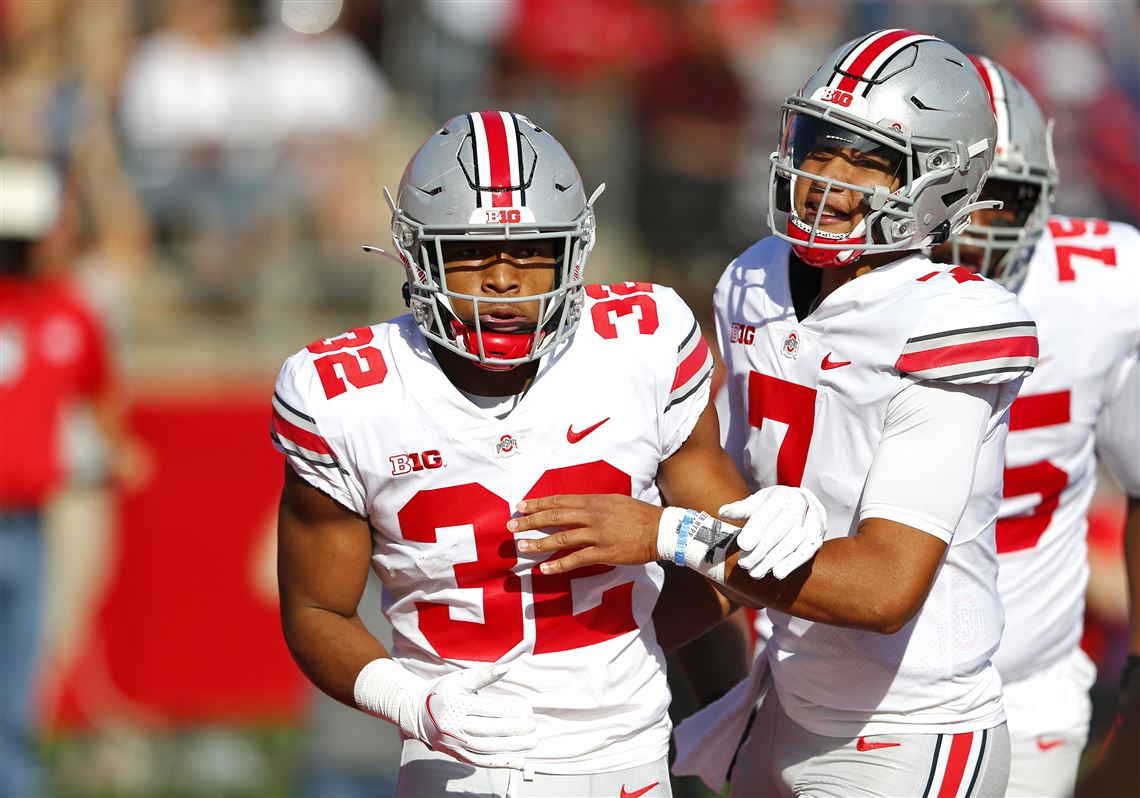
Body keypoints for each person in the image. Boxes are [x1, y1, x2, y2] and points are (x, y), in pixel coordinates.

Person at [512, 31, 1038, 797]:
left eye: (868, 159)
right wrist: (579, 666)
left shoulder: (947, 321)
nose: (826, 176)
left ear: (941, 180)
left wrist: (661, 533)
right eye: (821, 145)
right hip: (783, 699)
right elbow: (737, 525)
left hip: (910, 728)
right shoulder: (754, 279)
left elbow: (884, 589)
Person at [272, 111, 819, 798]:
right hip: (460, 766)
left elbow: (721, 559)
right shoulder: (343, 396)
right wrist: (412, 702)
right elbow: (317, 610)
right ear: (416, 253)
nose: (504, 279)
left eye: (532, 249)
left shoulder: (643, 345)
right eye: (472, 252)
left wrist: (772, 524)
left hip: (631, 759)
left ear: (576, 250)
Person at [928, 55, 1140, 798]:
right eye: (950, 194)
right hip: (845, 675)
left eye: (1001, 198)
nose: (971, 225)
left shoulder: (1107, 288)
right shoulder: (800, 288)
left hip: (1028, 685)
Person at [0, 158, 137, 798]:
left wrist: (116, 447)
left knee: (20, 688)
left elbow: (100, 390)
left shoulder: (70, 310)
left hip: (31, 518)